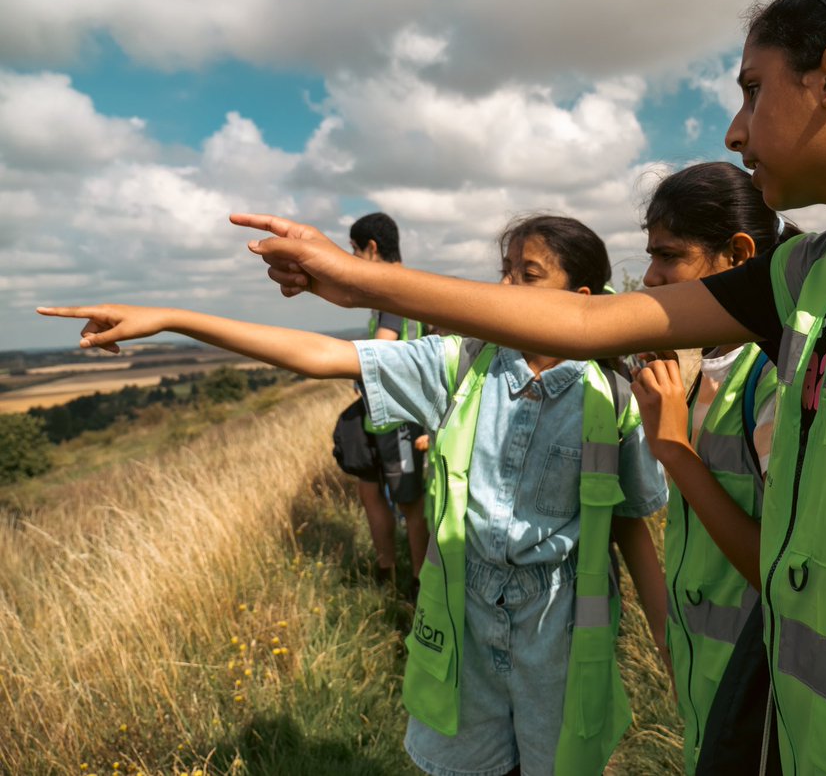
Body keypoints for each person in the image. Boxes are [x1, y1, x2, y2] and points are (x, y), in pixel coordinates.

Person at [220, 0, 826, 775]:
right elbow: (590, 320)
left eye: (753, 89)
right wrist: (359, 284)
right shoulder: (806, 274)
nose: (733, 128)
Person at [39, 213, 667, 776]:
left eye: (527, 276)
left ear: (583, 301)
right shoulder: (458, 365)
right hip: (465, 633)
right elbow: (322, 355)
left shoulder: (612, 398)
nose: (502, 292)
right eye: (503, 273)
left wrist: (670, 645)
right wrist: (175, 319)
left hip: (559, 641)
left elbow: (631, 525)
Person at [633, 161, 790, 774]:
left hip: (762, 690)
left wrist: (674, 450)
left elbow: (771, 568)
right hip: (709, 676)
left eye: (669, 255)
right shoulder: (700, 372)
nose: (650, 276)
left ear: (738, 254)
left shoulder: (776, 379)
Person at [347, 212, 429, 587]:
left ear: (372, 248)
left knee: (412, 506)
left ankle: (415, 585)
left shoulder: (395, 289)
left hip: (399, 418)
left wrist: (350, 364)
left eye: (354, 250)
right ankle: (391, 575)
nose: (353, 258)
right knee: (374, 492)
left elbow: (382, 348)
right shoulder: (398, 288)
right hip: (381, 416)